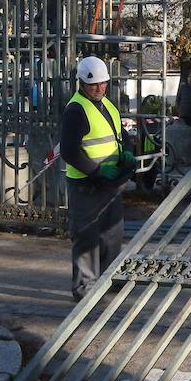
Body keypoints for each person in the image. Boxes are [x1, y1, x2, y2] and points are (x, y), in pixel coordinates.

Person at [60, 56, 135, 301]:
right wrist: (95, 170)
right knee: (87, 236)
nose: (99, 88)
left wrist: (128, 151)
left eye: (103, 84)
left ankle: (109, 278)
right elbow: (69, 151)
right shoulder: (76, 109)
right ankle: (84, 287)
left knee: (113, 233)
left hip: (110, 184)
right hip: (86, 184)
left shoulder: (107, 104)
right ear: (81, 83)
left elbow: (119, 134)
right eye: (94, 85)